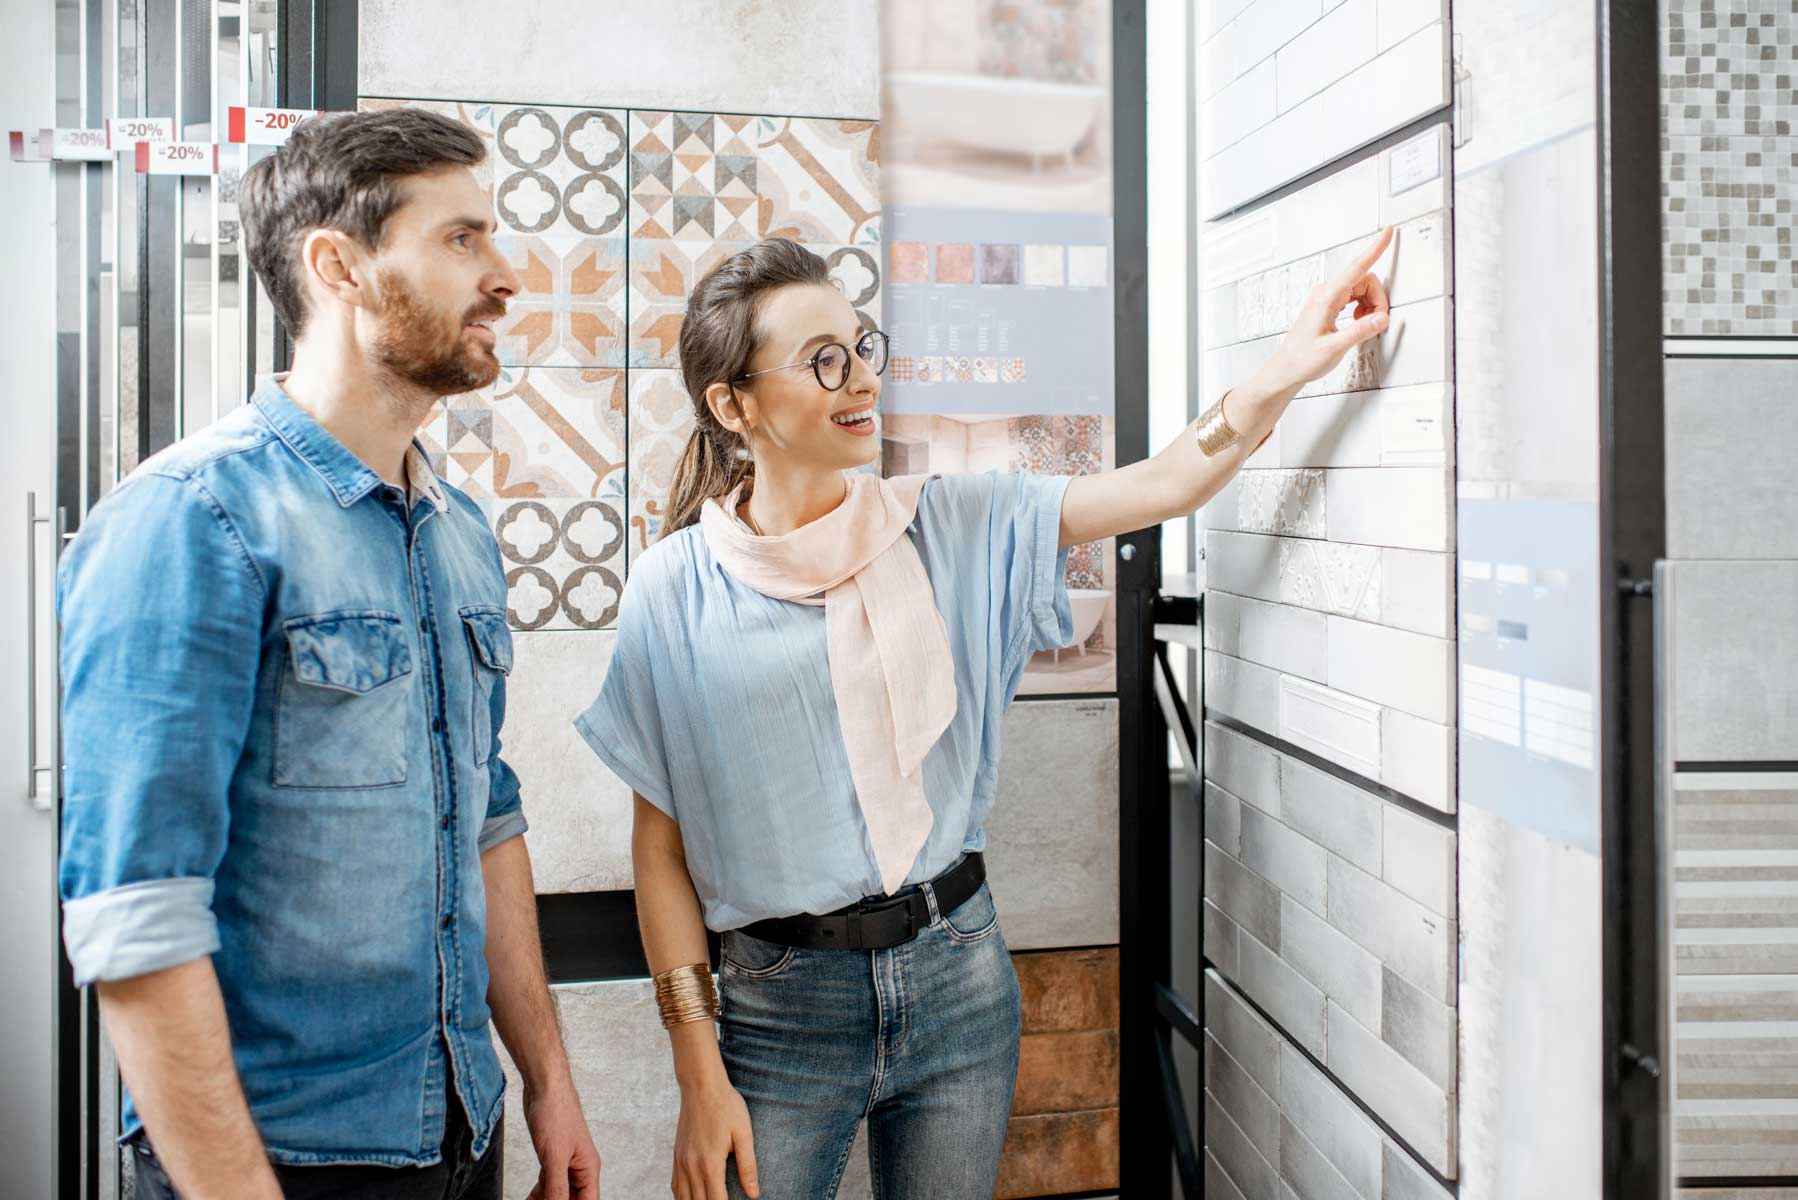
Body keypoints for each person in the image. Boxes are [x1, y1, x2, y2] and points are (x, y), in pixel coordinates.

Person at [576, 230, 1392, 1199]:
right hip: (779, 1007)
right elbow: (659, 852)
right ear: (732, 404)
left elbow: (1163, 481)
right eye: (822, 360)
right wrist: (695, 1073)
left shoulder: (951, 522)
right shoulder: (676, 591)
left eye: (861, 348)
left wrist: (1292, 361)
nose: (859, 380)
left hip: (956, 974)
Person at [57, 108, 601, 1200]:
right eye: (461, 239)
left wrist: (547, 1081)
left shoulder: (457, 532)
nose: (505, 276)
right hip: (280, 1162)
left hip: (462, 1134)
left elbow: (485, 816)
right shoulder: (193, 522)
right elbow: (139, 918)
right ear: (337, 266)